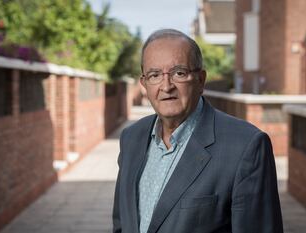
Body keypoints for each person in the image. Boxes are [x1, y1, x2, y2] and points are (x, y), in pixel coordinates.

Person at [112, 29, 283, 233]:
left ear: (200, 80)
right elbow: (122, 222)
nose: (166, 86)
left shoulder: (246, 146)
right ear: (144, 84)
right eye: (155, 75)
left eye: (179, 73)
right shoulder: (131, 138)